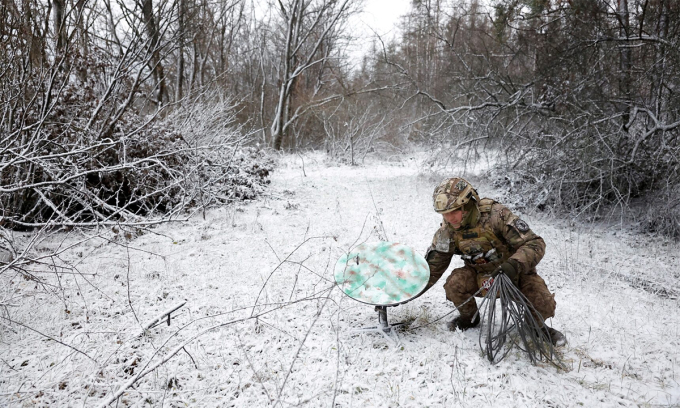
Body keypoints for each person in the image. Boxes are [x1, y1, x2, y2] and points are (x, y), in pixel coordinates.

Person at [423, 177, 566, 346]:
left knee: (542, 301)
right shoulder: (447, 231)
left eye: (454, 211)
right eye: (445, 214)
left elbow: (535, 243)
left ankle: (536, 327)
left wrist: (513, 265)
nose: (449, 218)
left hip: (515, 275)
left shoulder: (496, 216)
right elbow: (433, 267)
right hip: (480, 277)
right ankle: (469, 319)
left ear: (467, 205)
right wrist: (403, 293)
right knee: (455, 283)